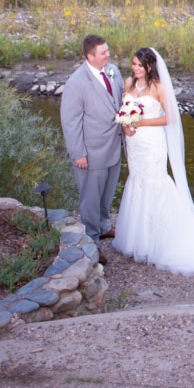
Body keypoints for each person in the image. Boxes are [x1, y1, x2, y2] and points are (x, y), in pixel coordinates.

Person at [113, 47, 194, 275]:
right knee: (137, 180)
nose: (135, 69)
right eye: (134, 64)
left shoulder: (158, 86)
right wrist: (127, 126)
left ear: (150, 66)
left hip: (152, 143)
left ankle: (161, 240)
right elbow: (125, 110)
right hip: (135, 144)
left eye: (140, 65)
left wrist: (141, 124)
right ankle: (139, 239)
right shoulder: (129, 83)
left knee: (154, 182)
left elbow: (169, 117)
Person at [59, 34, 123, 264]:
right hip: (92, 152)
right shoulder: (77, 82)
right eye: (103, 52)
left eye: (107, 50)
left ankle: (104, 225)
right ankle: (92, 242)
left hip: (114, 146)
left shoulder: (113, 71)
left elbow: (121, 100)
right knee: (90, 198)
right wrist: (79, 153)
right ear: (90, 56)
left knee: (107, 193)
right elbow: (70, 120)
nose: (108, 54)